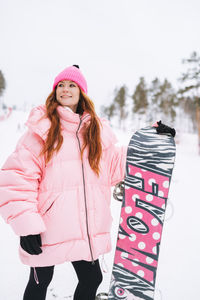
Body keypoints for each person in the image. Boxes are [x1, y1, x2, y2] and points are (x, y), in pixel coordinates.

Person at [0, 65, 127, 300]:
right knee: (40, 282)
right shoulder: (42, 129)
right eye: (61, 85)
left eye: (71, 85)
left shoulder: (95, 132)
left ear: (82, 93)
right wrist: (27, 227)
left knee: (91, 279)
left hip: (84, 227)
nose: (65, 89)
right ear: (54, 91)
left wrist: (150, 139)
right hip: (47, 227)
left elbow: (114, 166)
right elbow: (17, 179)